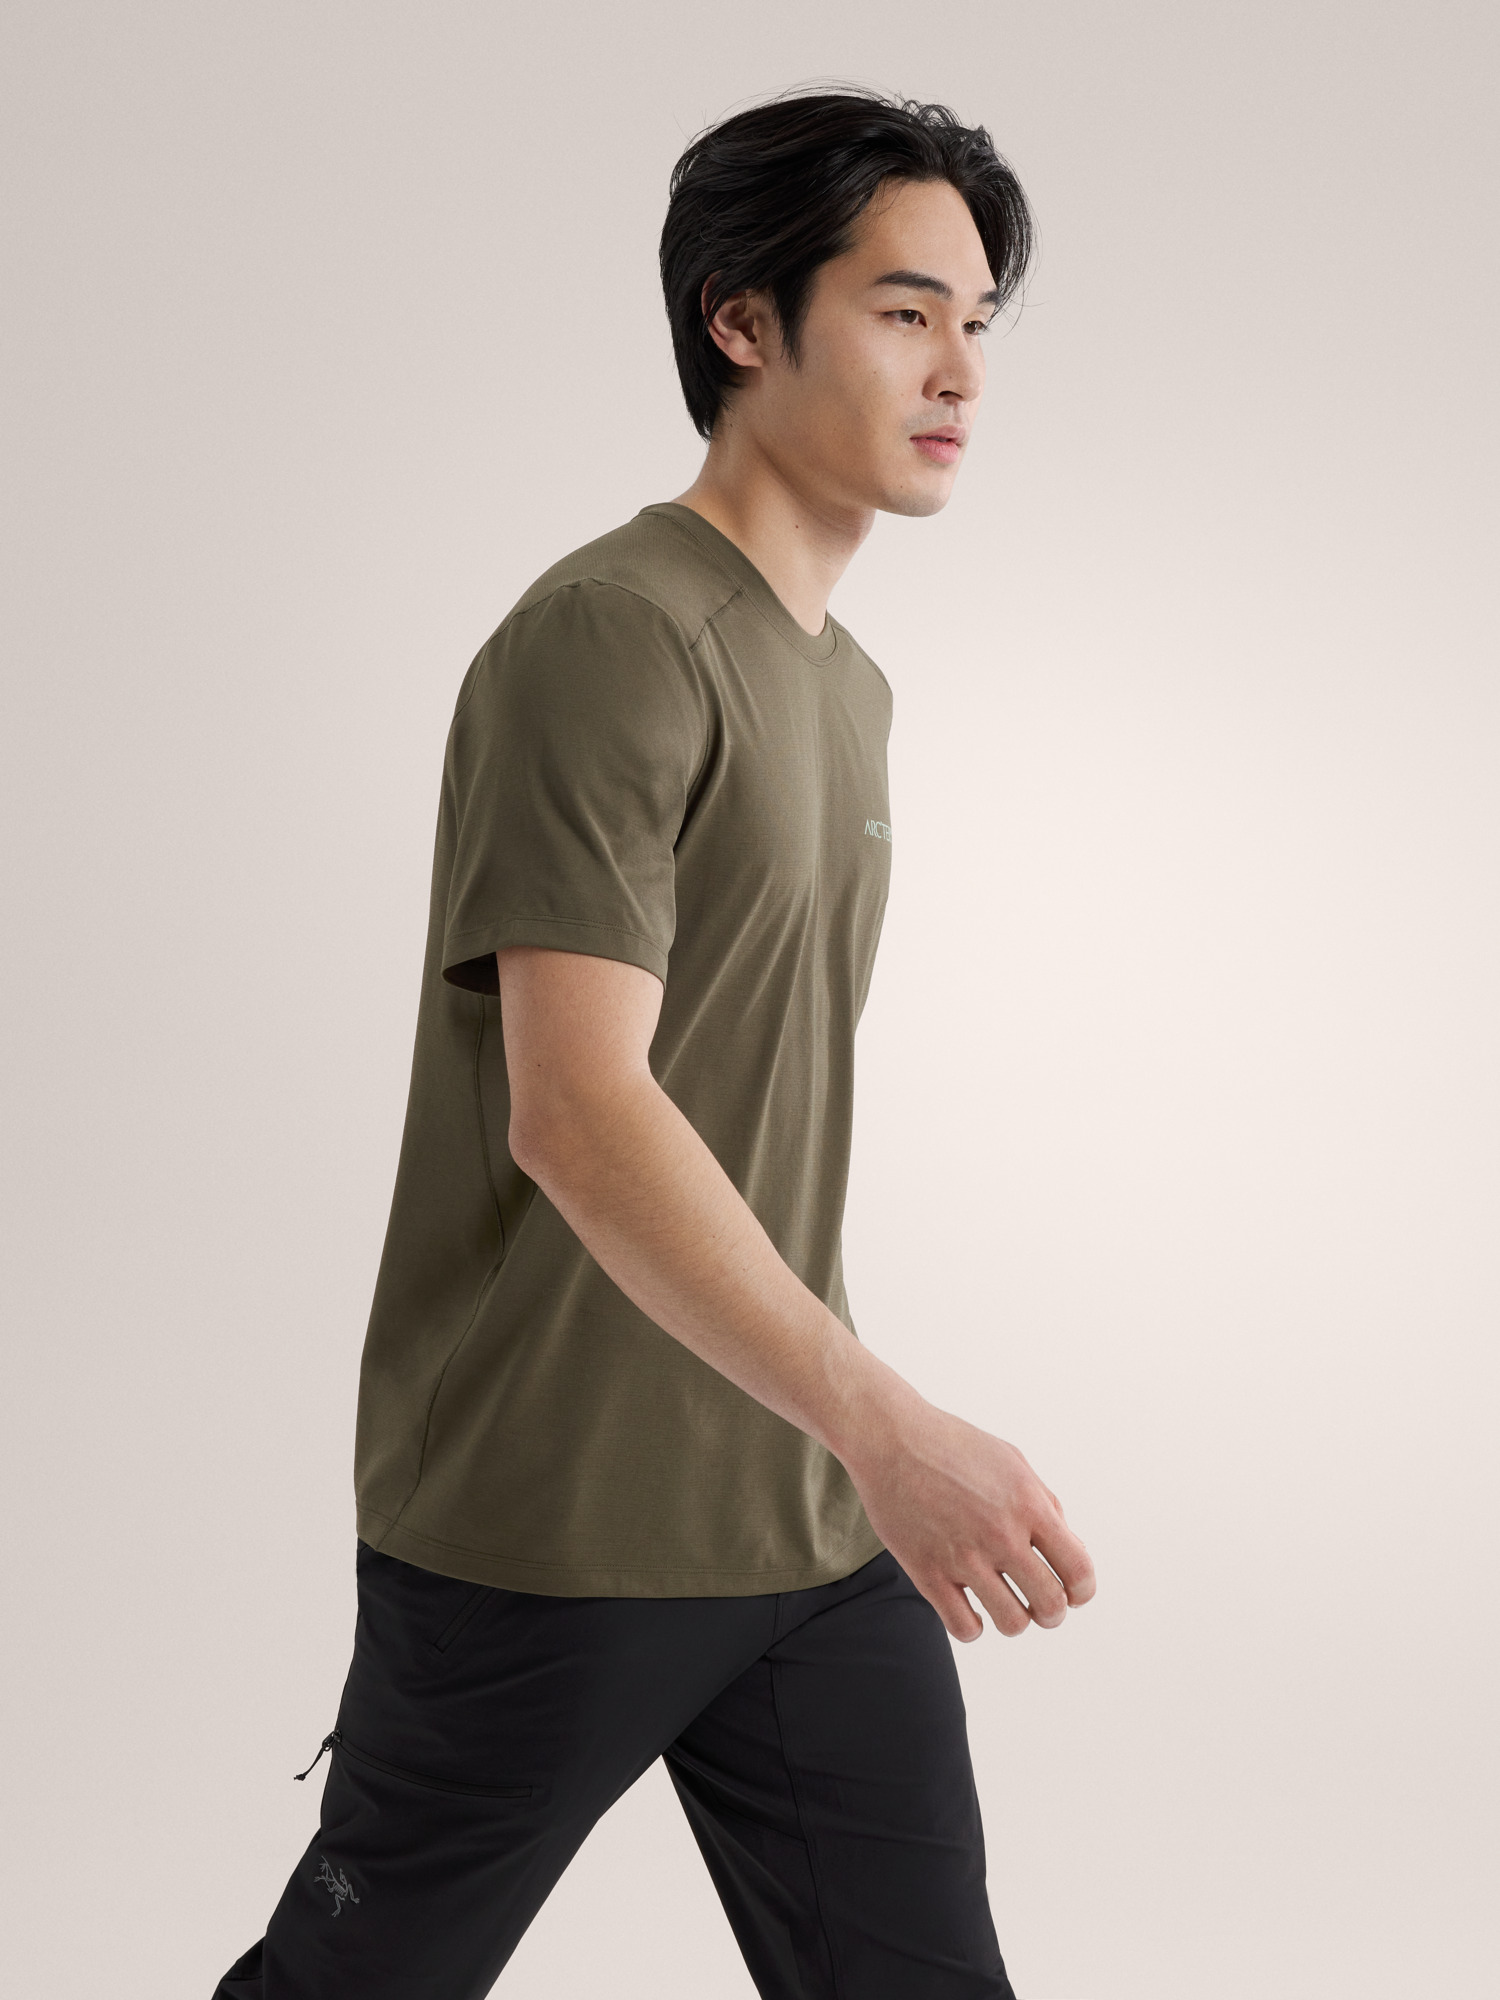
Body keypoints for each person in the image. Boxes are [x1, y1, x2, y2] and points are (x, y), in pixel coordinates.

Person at [212, 84, 1096, 2000]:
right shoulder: (612, 635)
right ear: (742, 320)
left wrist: (849, 1445)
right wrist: (895, 1427)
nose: (960, 369)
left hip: (803, 1514)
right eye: (904, 311)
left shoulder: (846, 687)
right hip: (555, 1524)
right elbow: (580, 1110)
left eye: (976, 321)